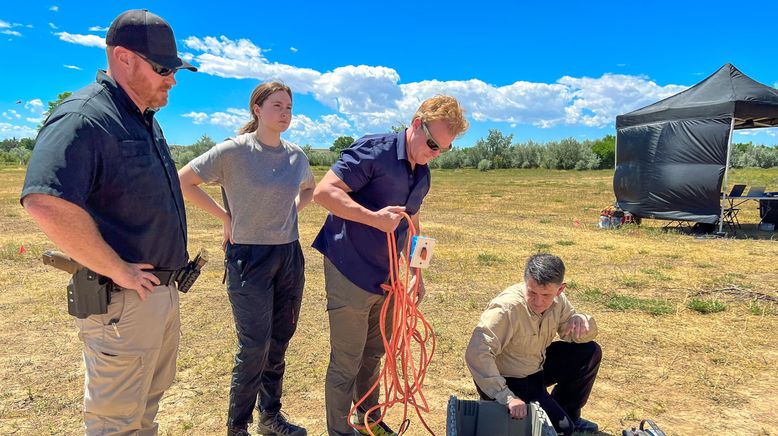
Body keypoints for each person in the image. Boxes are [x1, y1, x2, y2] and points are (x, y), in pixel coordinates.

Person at [20, 9, 196, 435]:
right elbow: (45, 199)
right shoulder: (85, 116)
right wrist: (116, 268)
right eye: (163, 69)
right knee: (114, 423)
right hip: (122, 299)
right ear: (123, 58)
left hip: (155, 295)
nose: (171, 78)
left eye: (175, 70)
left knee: (142, 413)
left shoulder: (141, 121)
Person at [312, 96, 469, 436]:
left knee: (374, 352)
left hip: (386, 277)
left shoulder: (422, 174)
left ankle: (368, 419)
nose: (435, 153)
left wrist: (416, 272)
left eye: (443, 149)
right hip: (349, 267)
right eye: (432, 144)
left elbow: (414, 220)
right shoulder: (374, 149)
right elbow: (324, 192)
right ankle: (339, 431)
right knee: (347, 360)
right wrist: (372, 218)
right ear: (415, 124)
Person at [178, 81, 315, 436]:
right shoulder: (233, 151)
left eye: (289, 107)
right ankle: (237, 426)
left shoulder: (296, 156)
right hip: (248, 257)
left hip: (288, 255)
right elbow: (184, 181)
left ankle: (270, 417)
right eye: (277, 106)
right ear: (257, 108)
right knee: (254, 344)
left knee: (280, 339)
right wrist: (226, 217)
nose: (285, 113)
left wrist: (292, 211)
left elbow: (309, 189)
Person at [465, 253, 602, 435]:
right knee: (562, 430)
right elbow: (477, 352)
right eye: (532, 293)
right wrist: (506, 397)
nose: (538, 302)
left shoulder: (559, 301)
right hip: (510, 378)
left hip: (536, 366)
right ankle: (558, 417)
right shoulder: (506, 308)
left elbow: (574, 333)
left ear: (560, 290)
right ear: (525, 283)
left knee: (589, 352)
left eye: (546, 295)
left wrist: (582, 320)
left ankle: (568, 412)